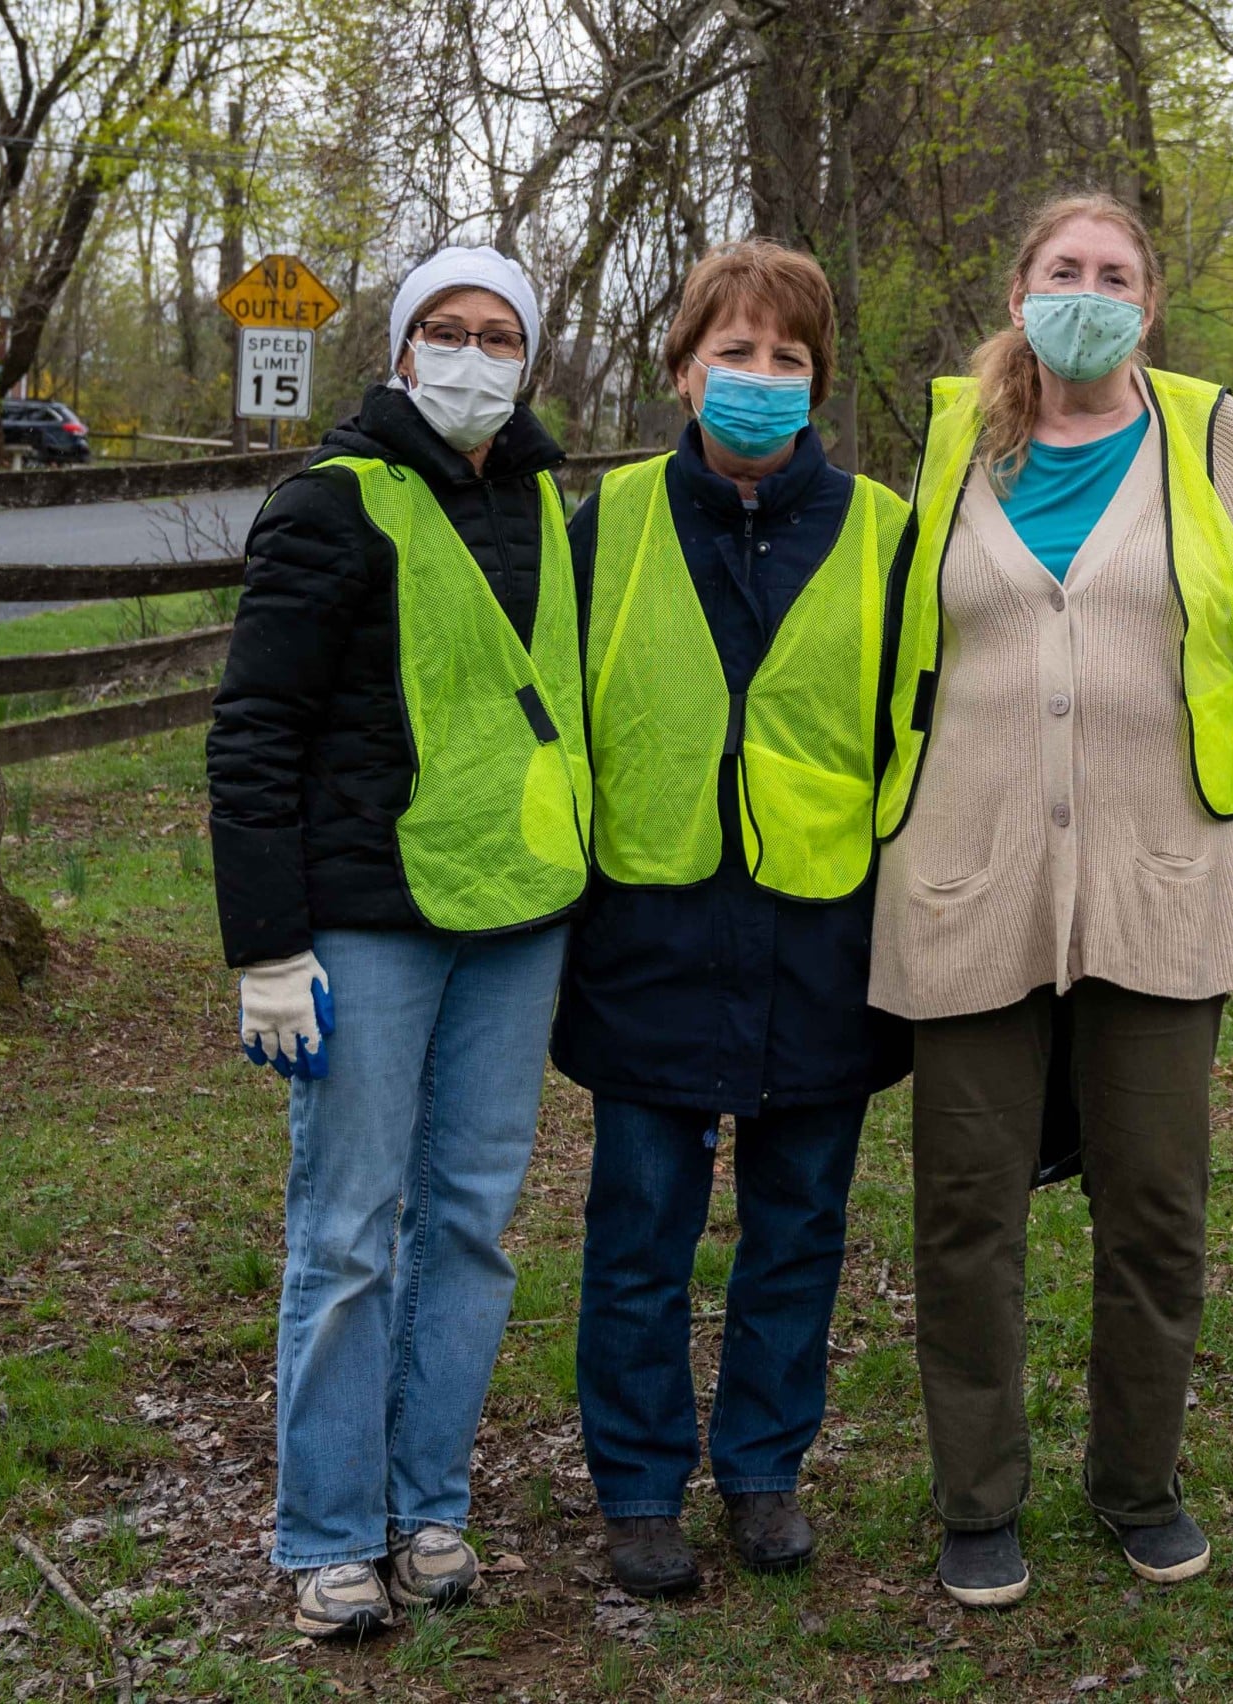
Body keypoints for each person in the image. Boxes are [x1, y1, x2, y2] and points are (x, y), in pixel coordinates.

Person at [871, 192, 1233, 1607]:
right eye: (1066, 270)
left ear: (1150, 305)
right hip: (966, 879)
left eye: (1117, 275)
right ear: (1020, 294)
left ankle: (1138, 1484)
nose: (1090, 294)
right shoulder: (955, 444)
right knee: (966, 1211)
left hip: (1164, 882)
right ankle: (978, 1497)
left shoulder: (1213, 436)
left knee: (1156, 1208)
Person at [208, 247, 589, 1639]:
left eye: (499, 335)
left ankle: (430, 1506)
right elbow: (255, 730)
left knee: (472, 1223)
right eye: (446, 328)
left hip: (516, 917)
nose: (472, 355)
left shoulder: (547, 506)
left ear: (529, 359)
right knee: (351, 1228)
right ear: (401, 345)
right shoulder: (331, 501)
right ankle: (327, 1531)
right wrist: (267, 944)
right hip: (370, 923)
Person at [553, 241, 910, 1599]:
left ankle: (764, 1472)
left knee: (799, 1228)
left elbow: (919, 733)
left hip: (823, 941)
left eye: (788, 357)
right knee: (638, 1232)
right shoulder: (607, 522)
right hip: (650, 936)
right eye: (735, 352)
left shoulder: (885, 531)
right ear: (684, 368)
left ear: (820, 380)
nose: (761, 376)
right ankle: (640, 1489)